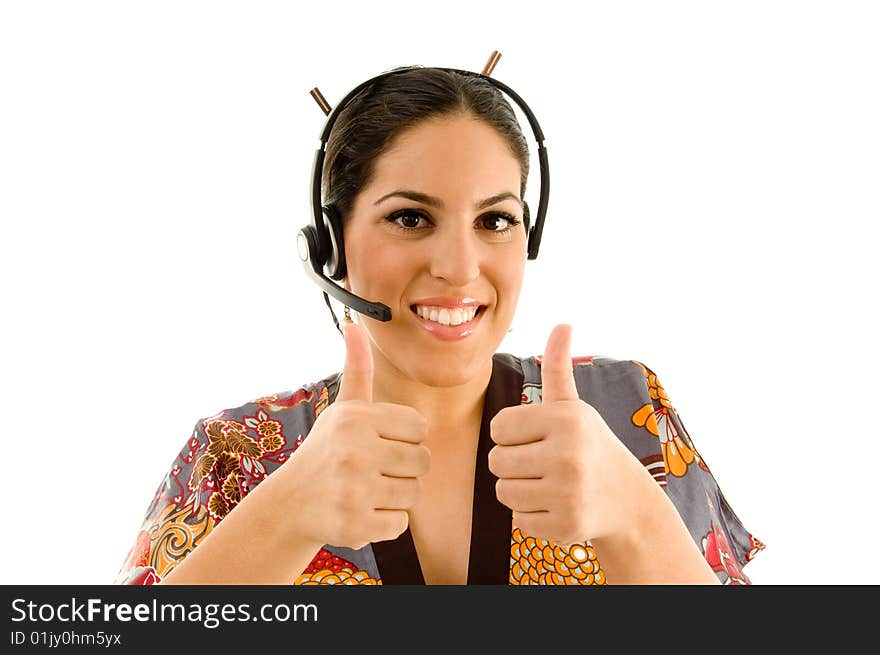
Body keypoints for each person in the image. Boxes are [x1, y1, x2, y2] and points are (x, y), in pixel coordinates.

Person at [115, 67, 764, 586]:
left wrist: (636, 516)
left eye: (495, 220)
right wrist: (281, 517)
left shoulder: (628, 412)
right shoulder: (235, 452)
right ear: (332, 246)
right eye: (409, 218)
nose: (459, 268)